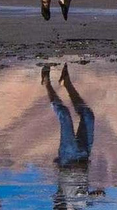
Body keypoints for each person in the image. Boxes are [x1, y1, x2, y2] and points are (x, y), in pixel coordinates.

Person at [41, 64, 105, 208]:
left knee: (64, 115)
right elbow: (89, 197)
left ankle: (46, 83)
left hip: (68, 159)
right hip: (84, 156)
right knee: (88, 116)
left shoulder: (63, 204)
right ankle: (66, 82)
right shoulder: (83, 206)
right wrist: (96, 194)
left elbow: (58, 203)